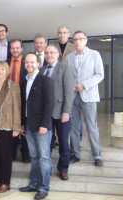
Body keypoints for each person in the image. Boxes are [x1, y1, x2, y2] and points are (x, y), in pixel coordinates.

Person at [66, 30, 104, 166]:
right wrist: (71, 86)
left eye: (80, 39)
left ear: (86, 40)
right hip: (73, 96)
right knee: (74, 127)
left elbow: (99, 75)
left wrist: (84, 85)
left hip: (89, 95)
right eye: (75, 39)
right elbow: (68, 76)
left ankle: (97, 156)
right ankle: (75, 154)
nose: (77, 42)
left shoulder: (94, 55)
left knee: (91, 126)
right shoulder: (69, 57)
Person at [19, 52, 53, 200]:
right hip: (28, 125)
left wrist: (44, 124)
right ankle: (33, 183)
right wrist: (22, 123)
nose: (29, 65)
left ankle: (43, 187)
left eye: (32, 62)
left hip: (42, 126)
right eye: (27, 62)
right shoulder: (24, 81)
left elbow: (49, 104)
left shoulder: (45, 80)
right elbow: (23, 105)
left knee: (44, 157)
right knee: (34, 156)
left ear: (38, 63)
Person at [40, 44, 74, 180]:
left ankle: (63, 168)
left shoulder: (65, 68)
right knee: (46, 143)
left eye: (52, 53)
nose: (49, 55)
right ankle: (46, 168)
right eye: (46, 53)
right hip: (46, 114)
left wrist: (66, 112)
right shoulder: (42, 70)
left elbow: (69, 93)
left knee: (64, 142)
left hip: (61, 113)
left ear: (57, 54)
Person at [0, 61, 21, 193]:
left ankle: (6, 183)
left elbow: (16, 108)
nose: (0, 71)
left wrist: (16, 127)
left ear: (7, 71)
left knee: (4, 154)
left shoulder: (14, 86)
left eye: (2, 69)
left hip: (6, 125)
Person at [7, 39, 29, 162]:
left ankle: (25, 154)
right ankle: (12, 153)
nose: (15, 50)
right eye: (12, 48)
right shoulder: (5, 63)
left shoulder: (27, 63)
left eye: (17, 48)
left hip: (24, 99)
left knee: (24, 127)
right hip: (9, 101)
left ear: (21, 49)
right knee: (11, 127)